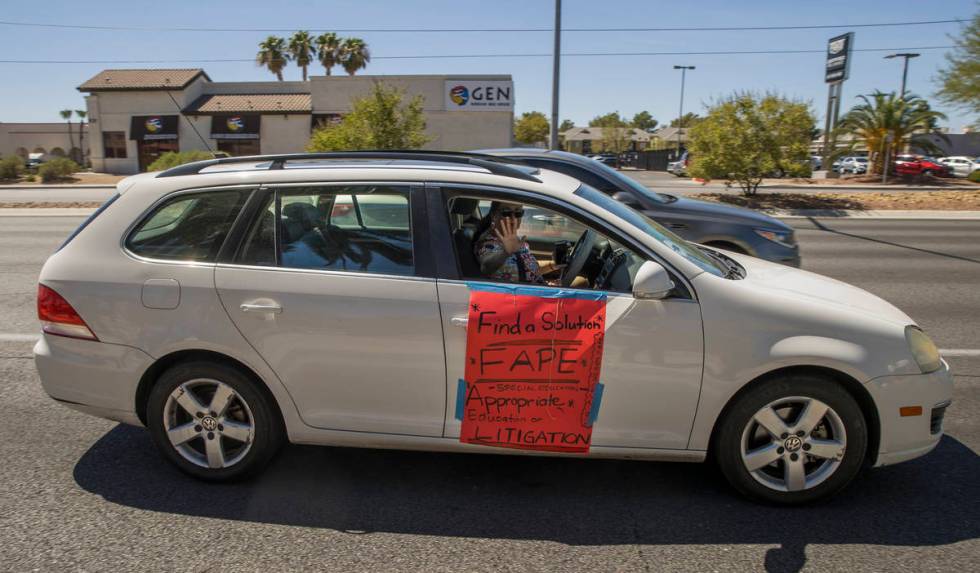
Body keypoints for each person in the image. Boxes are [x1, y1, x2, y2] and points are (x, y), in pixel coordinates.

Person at [474, 201, 564, 284]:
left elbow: (527, 268)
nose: (513, 218)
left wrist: (553, 265)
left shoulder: (516, 240)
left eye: (518, 213)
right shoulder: (487, 242)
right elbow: (486, 267)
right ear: (494, 215)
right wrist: (505, 253)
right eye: (506, 213)